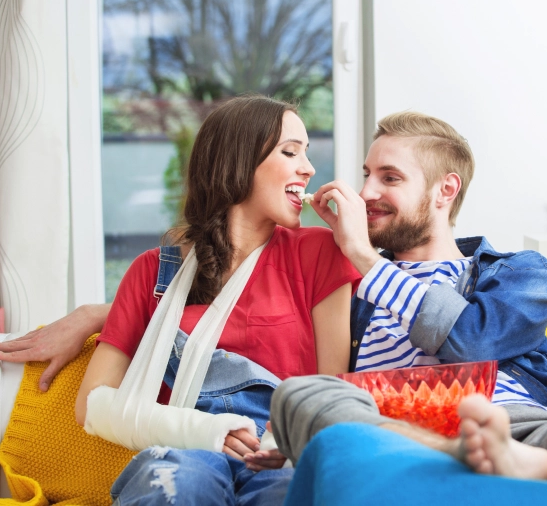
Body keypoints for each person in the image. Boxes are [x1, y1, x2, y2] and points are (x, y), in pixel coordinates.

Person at [0, 111, 547, 495]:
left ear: (444, 191)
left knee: (321, 405)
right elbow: (213, 296)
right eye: (365, 174)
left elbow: (470, 339)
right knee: (310, 405)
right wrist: (101, 314)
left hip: (487, 414)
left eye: (389, 177)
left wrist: (359, 251)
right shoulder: (333, 278)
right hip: (369, 433)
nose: (363, 191)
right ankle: (541, 456)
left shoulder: (519, 274)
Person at [74, 95, 362, 505]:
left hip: (283, 457)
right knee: (176, 483)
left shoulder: (319, 252)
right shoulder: (154, 272)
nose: (309, 168)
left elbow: (329, 392)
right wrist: (204, 432)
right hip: (186, 454)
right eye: (290, 151)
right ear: (238, 161)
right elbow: (92, 405)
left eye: (307, 152)